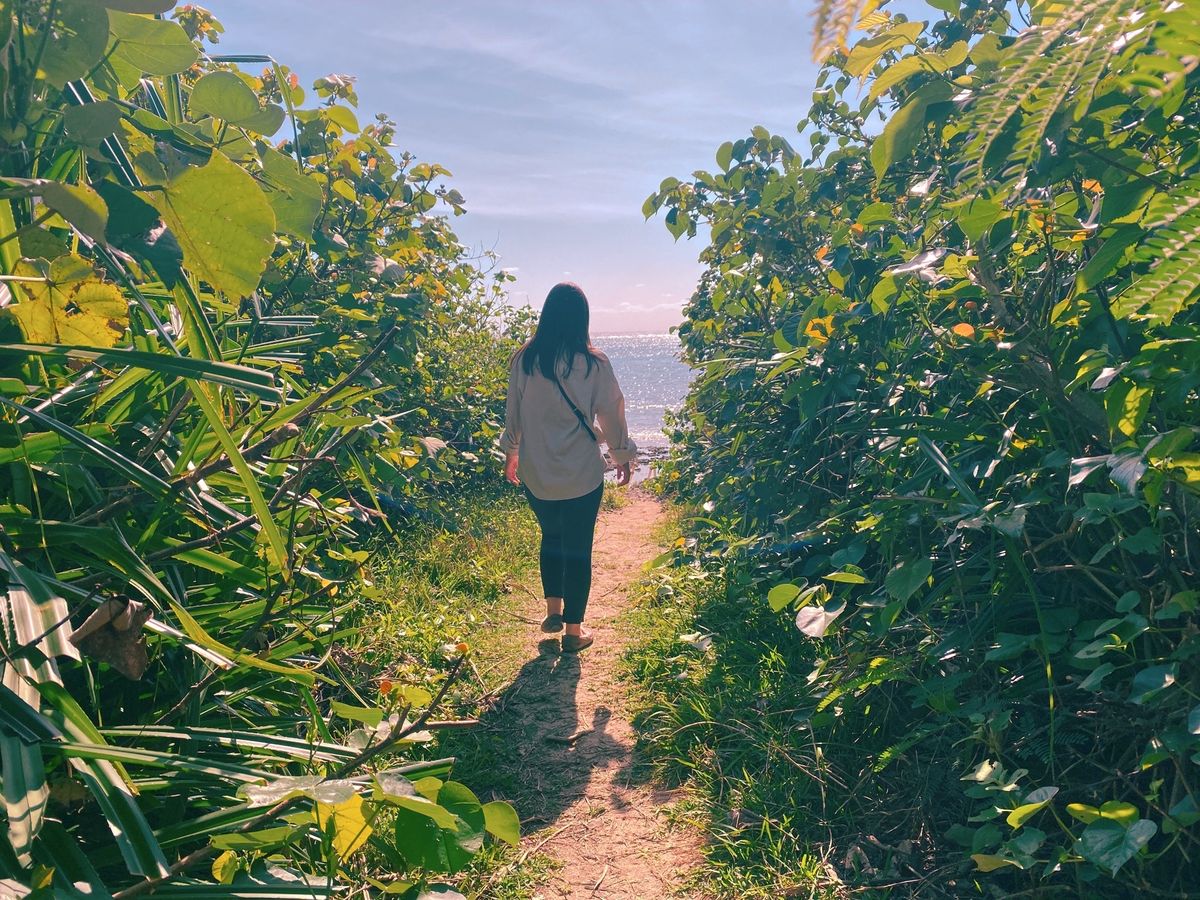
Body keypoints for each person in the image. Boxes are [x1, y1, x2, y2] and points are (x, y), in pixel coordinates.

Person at [499, 283, 638, 652]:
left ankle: (552, 610)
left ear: (546, 315)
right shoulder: (594, 363)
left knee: (552, 536)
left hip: (537, 471)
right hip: (581, 473)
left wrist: (511, 452)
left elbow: (513, 413)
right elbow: (611, 413)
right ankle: (574, 633)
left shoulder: (525, 360)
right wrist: (623, 456)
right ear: (582, 318)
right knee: (579, 549)